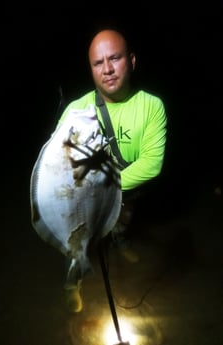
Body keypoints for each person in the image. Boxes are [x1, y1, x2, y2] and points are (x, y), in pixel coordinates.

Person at [54, 28, 167, 313]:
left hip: (125, 193)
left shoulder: (152, 106)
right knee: (79, 244)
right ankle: (73, 280)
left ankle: (121, 240)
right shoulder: (76, 110)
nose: (107, 69)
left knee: (123, 219)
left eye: (114, 58)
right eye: (98, 63)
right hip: (84, 202)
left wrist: (104, 191)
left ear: (131, 61)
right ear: (91, 69)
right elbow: (56, 165)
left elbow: (151, 163)